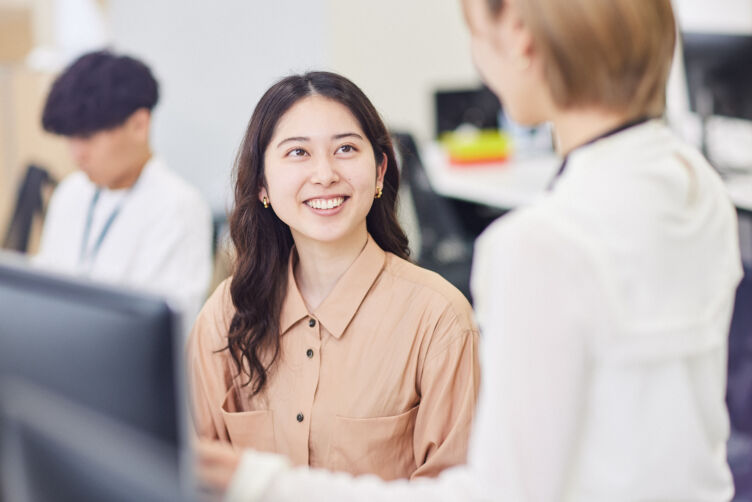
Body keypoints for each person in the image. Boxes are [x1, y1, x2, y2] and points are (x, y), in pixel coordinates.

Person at [196, 0, 743, 501]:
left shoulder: (536, 246)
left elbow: (504, 493)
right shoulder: (697, 189)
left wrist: (261, 483)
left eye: (477, 36)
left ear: (521, 41)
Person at [188, 72, 479, 483]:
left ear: (380, 172)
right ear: (262, 184)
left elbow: (457, 493)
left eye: (345, 148)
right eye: (297, 153)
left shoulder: (440, 320)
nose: (324, 174)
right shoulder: (226, 312)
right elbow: (191, 473)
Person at [36, 50, 212, 322]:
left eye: (87, 136)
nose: (76, 154)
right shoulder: (71, 192)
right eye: (70, 138)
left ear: (139, 125)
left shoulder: (178, 208)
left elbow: (164, 334)